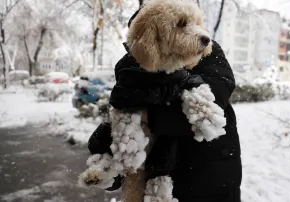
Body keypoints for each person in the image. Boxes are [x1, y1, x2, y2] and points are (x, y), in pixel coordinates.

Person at [87, 11, 242, 202]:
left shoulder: (206, 51)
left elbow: (211, 106)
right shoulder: (129, 67)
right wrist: (113, 158)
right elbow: (124, 112)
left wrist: (147, 116)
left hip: (210, 182)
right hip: (152, 187)